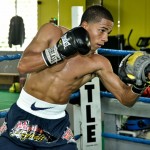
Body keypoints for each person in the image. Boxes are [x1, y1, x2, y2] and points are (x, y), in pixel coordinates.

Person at [0, 4, 149, 150]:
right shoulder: (51, 32)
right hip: (22, 115)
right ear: (85, 26)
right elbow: (23, 66)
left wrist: (140, 83)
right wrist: (58, 52)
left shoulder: (99, 63)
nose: (105, 38)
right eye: (102, 31)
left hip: (55, 124)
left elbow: (125, 98)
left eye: (108, 33)